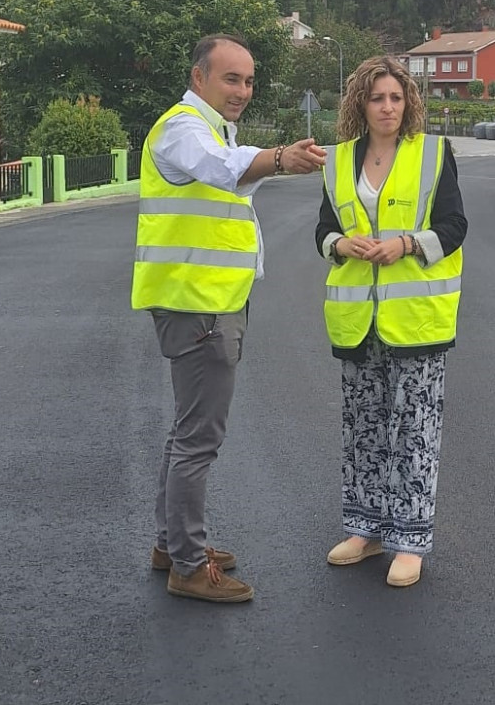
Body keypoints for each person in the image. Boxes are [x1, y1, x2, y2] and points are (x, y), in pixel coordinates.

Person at [132, 32, 326, 604]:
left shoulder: (212, 128)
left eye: (247, 81)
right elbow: (218, 167)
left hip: (207, 300)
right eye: (230, 79)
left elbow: (226, 173)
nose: (242, 90)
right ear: (199, 78)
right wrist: (281, 158)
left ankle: (173, 545)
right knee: (198, 439)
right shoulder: (183, 129)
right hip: (198, 306)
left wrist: (266, 161)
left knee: (185, 432)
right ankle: (188, 567)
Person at [315, 54, 467, 588]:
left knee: (414, 430)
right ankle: (366, 529)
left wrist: (405, 243)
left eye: (396, 98)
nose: (387, 107)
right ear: (361, 103)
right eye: (377, 98)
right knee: (364, 429)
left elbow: (454, 225)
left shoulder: (431, 154)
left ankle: (410, 540)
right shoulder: (337, 162)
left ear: (409, 103)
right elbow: (323, 232)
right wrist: (340, 243)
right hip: (358, 320)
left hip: (416, 320)